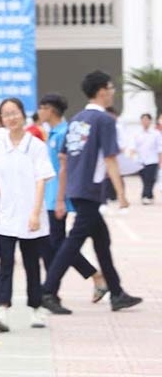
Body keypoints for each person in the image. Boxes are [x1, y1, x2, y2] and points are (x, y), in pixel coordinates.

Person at [40, 71, 143, 315]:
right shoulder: (104, 120)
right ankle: (47, 291)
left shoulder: (77, 119)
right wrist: (121, 193)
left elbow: (64, 160)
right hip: (89, 190)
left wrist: (62, 196)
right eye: (111, 88)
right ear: (102, 91)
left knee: (101, 241)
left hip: (76, 188)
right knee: (73, 240)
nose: (113, 92)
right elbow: (110, 159)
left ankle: (116, 293)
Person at [0, 98, 55, 332]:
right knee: (5, 263)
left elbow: (41, 181)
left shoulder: (36, 146)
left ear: (23, 115)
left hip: (30, 216)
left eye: (14, 113)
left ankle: (36, 308)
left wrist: (35, 213)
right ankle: (2, 309)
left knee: (31, 264)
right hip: (5, 216)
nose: (11, 118)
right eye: (6, 114)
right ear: (1, 119)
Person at [36, 93, 107, 302]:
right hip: (50, 194)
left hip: (59, 195)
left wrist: (60, 199)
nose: (39, 112)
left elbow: (65, 168)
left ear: (50, 110)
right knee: (55, 243)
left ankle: (93, 277)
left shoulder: (64, 132)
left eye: (42, 108)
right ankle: (54, 288)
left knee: (61, 243)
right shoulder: (52, 133)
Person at [133, 112, 159, 203]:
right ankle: (150, 195)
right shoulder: (137, 134)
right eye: (143, 120)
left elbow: (160, 148)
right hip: (140, 160)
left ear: (150, 121)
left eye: (147, 120)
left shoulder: (156, 134)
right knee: (144, 179)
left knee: (150, 179)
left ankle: (145, 196)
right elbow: (133, 147)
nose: (145, 122)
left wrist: (160, 161)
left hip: (152, 160)